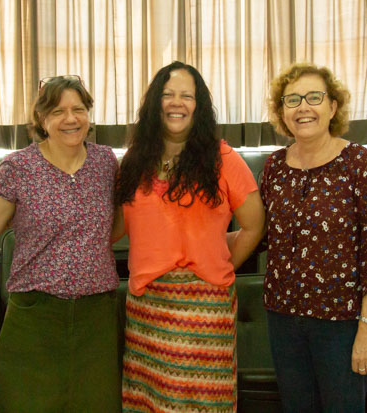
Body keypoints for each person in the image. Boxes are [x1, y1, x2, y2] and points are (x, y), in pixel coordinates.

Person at [114, 61, 265, 412]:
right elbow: (115, 227)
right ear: (155, 103)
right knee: (149, 401)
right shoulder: (134, 161)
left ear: (200, 105)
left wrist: (219, 263)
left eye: (187, 95)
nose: (176, 103)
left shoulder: (223, 158)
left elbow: (254, 224)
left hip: (206, 307)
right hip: (148, 307)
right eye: (167, 95)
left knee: (202, 403)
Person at [0, 75, 121, 413]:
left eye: (78, 109)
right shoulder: (18, 166)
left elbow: (117, 224)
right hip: (35, 316)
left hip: (95, 316)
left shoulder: (106, 162)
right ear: (41, 119)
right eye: (58, 111)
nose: (70, 119)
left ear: (89, 114)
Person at [262, 62, 367, 412]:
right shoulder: (273, 167)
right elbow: (260, 234)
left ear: (332, 107)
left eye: (314, 97)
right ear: (282, 112)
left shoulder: (358, 162)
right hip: (283, 321)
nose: (303, 107)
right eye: (292, 100)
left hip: (341, 325)